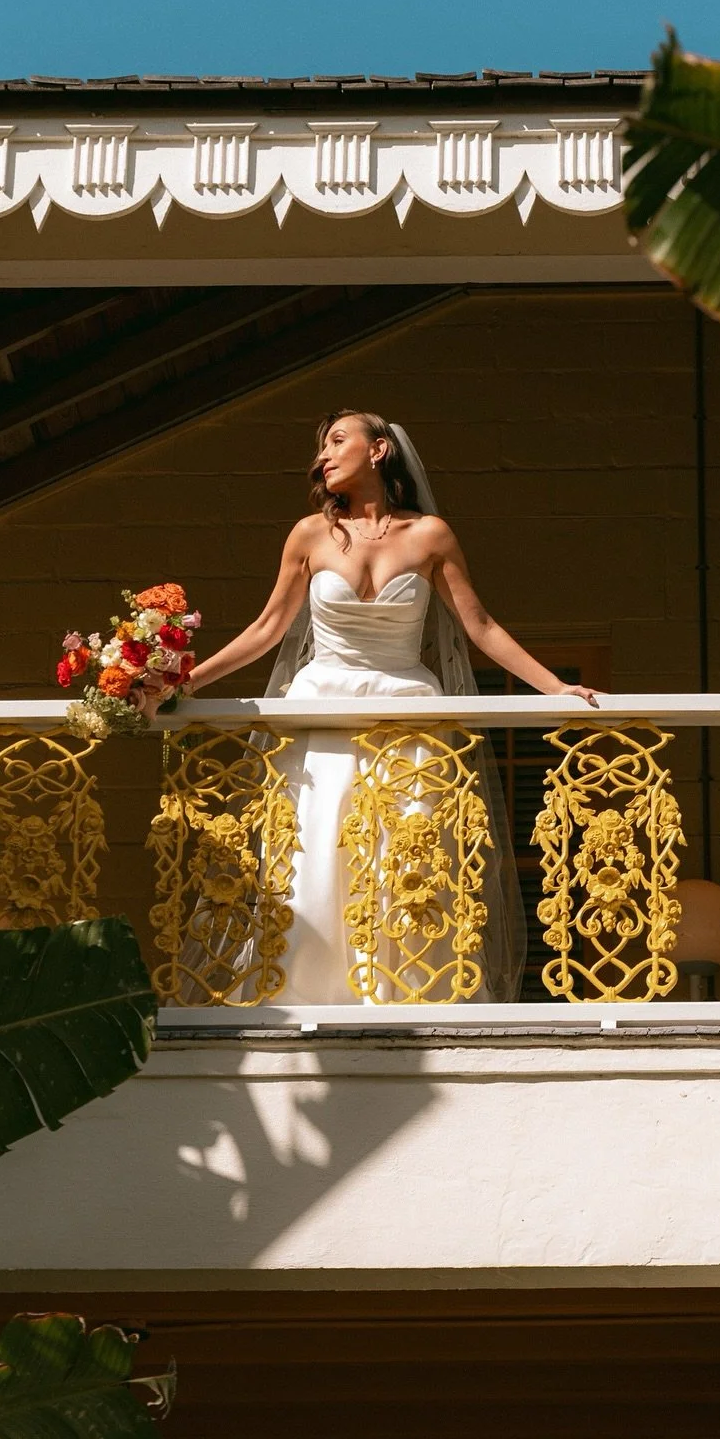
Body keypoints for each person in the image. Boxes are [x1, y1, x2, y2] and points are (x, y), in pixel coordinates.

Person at [165, 411, 598, 1006]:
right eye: (321, 447)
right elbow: (267, 629)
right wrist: (185, 683)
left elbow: (481, 627)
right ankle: (302, 996)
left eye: (338, 440)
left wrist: (555, 688)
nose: (324, 455)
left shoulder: (430, 536)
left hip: (406, 714)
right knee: (316, 857)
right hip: (322, 714)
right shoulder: (310, 535)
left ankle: (404, 995)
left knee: (405, 857)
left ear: (380, 450)